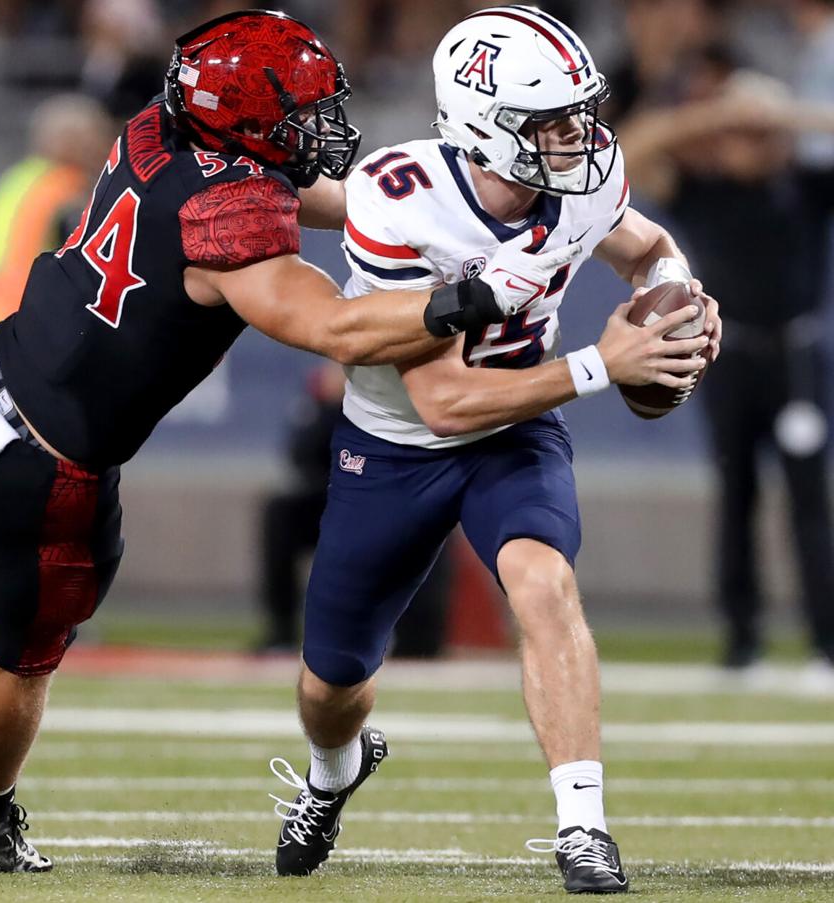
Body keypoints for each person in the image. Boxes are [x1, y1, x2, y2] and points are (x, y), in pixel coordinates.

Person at [0, 9, 617, 875]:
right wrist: (478, 292)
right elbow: (339, 330)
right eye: (297, 117)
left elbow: (309, 194)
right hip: (58, 457)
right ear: (246, 126)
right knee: (24, 653)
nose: (317, 130)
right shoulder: (228, 221)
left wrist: (417, 209)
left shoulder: (157, 125)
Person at [266, 7, 721, 895]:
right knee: (330, 684)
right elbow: (443, 403)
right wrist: (601, 363)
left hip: (515, 429)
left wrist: (679, 302)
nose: (577, 135)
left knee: (544, 584)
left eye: (578, 113)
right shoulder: (400, 201)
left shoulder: (585, 176)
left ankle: (583, 827)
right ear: (483, 123)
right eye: (550, 121)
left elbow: (648, 246)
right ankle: (332, 773)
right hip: (395, 444)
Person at [615, 44, 834, 682]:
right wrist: (714, 115)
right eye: (739, 133)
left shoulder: (807, 187)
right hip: (728, 356)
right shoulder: (701, 190)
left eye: (757, 134)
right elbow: (629, 151)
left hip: (796, 356)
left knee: (810, 503)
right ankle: (742, 644)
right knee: (735, 497)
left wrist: (782, 114)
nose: (748, 143)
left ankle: (826, 644)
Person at [256, 360, 450, 656]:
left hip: (396, 495)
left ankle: (419, 639)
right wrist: (332, 405)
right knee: (281, 512)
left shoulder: (413, 381)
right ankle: (281, 631)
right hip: (337, 496)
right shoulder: (329, 390)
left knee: (432, 513)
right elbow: (301, 456)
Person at [0, 94, 114, 339]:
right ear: (69, 141)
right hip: (27, 327)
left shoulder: (14, 181)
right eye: (97, 136)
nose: (107, 146)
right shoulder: (65, 187)